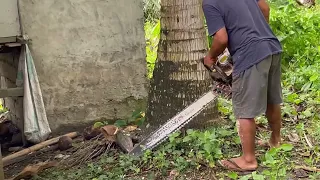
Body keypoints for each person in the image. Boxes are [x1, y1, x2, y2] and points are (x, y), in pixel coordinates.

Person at [202, 0, 283, 172]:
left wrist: (210, 57)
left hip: (250, 54)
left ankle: (248, 160)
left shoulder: (210, 3)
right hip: (271, 46)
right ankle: (276, 141)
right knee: (272, 98)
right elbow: (265, 8)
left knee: (244, 109)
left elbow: (221, 38)